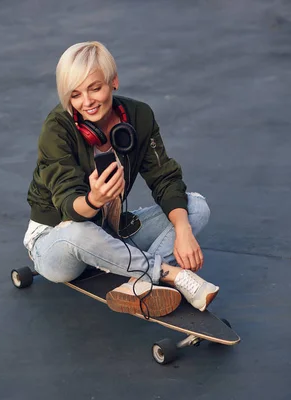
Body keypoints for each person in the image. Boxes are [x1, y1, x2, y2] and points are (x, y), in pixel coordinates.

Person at [23, 41, 220, 318]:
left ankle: (135, 284)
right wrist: (94, 200)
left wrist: (183, 229)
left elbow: (164, 178)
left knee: (195, 207)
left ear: (113, 81)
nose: (87, 102)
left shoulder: (139, 117)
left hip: (108, 229)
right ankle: (165, 273)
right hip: (57, 238)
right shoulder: (57, 128)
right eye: (75, 94)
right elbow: (68, 205)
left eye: (95, 88)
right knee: (80, 230)